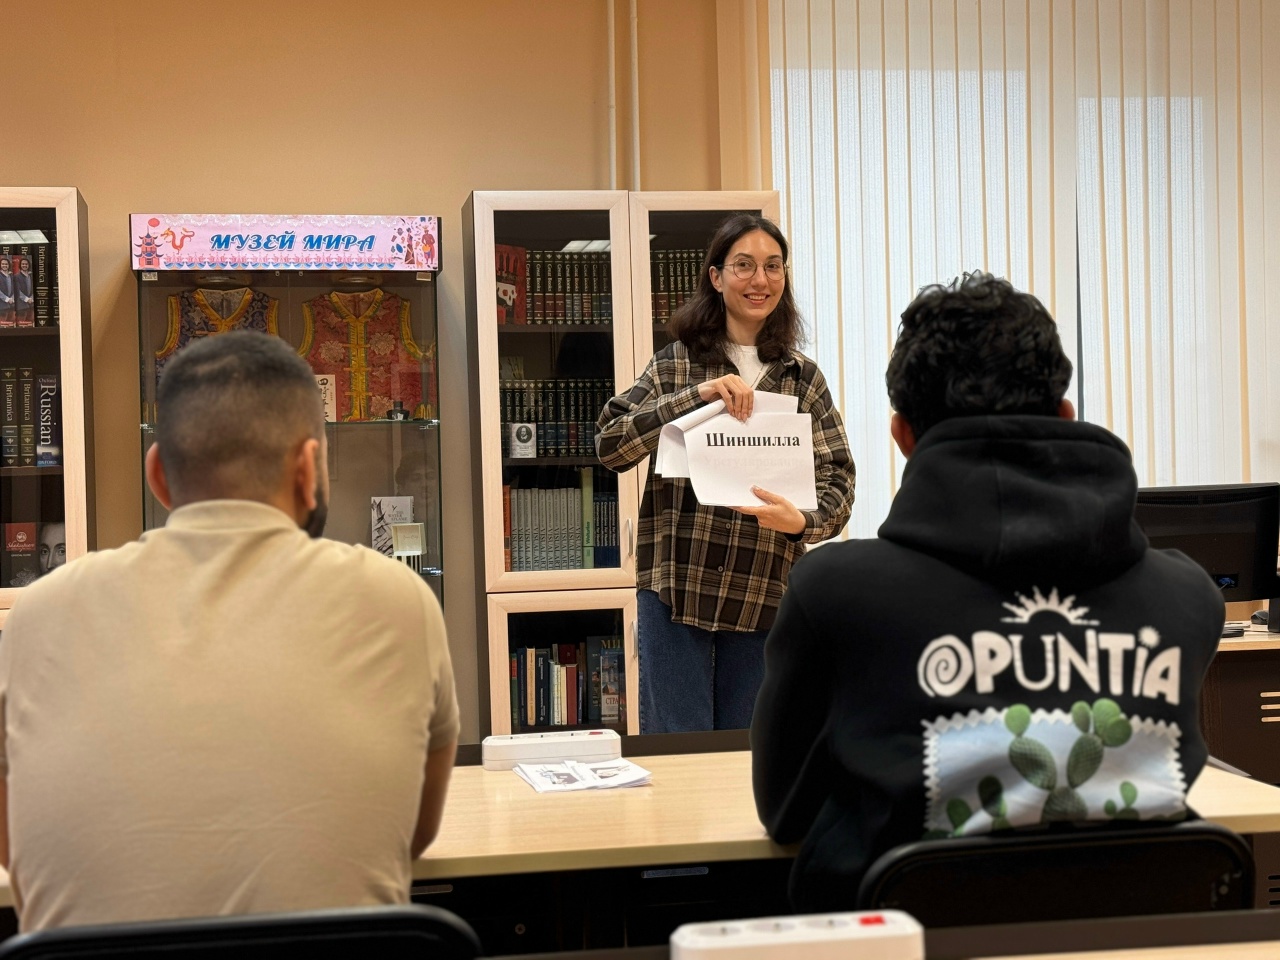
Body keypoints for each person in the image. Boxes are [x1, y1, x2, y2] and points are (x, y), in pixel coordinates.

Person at [751, 272, 1224, 911]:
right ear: (1065, 415)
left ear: (902, 436)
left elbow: (786, 811)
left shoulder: (833, 591)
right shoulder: (1188, 598)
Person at [0, 331, 460, 931]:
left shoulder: (35, 615)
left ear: (158, 475)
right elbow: (410, 833)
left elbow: (18, 851)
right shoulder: (401, 601)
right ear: (308, 469)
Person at [596, 215, 855, 734]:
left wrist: (802, 523)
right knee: (681, 754)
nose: (760, 280)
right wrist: (695, 398)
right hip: (676, 587)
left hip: (763, 591)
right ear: (716, 277)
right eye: (744, 266)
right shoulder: (675, 364)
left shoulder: (802, 378)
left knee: (752, 752)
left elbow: (839, 483)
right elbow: (610, 446)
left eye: (773, 267)